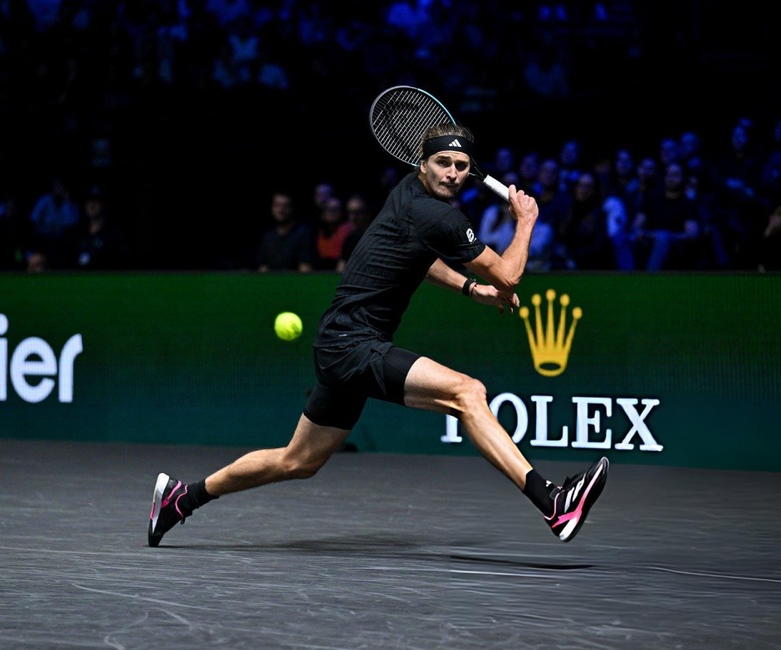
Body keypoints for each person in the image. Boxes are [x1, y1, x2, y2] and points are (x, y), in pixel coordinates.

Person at [149, 123, 609, 548]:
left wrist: (471, 289)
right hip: (353, 344)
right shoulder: (438, 217)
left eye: (462, 166)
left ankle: (181, 499)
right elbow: (509, 274)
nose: (451, 173)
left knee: (298, 462)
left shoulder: (408, 195)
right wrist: (525, 221)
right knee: (468, 393)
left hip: (340, 343)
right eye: (442, 163)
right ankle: (552, 502)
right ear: (421, 164)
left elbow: (420, 258)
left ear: (471, 171)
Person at [256, 191, 314, 272]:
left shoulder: (303, 233)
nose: (281, 210)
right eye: (277, 205)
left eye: (285, 206)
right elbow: (263, 268)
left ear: (292, 208)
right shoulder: (268, 236)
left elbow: (305, 268)